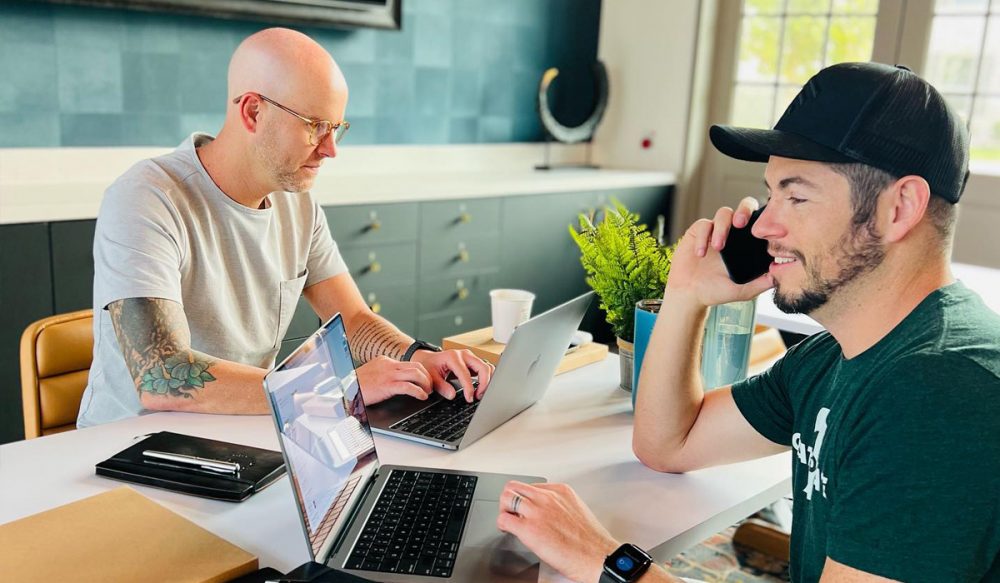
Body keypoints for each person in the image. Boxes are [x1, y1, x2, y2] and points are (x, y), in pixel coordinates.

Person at [496, 62, 999, 582]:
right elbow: (668, 443)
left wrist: (605, 562)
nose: (763, 223)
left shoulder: (941, 390)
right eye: (771, 193)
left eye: (796, 196)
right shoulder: (835, 357)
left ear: (900, 208)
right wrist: (687, 295)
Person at [77, 28, 492, 428]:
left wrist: (417, 356)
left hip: (245, 433)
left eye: (337, 129)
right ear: (253, 112)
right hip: (129, 449)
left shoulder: (298, 202)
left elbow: (354, 320)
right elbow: (161, 376)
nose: (330, 150)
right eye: (314, 125)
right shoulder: (147, 197)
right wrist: (337, 389)